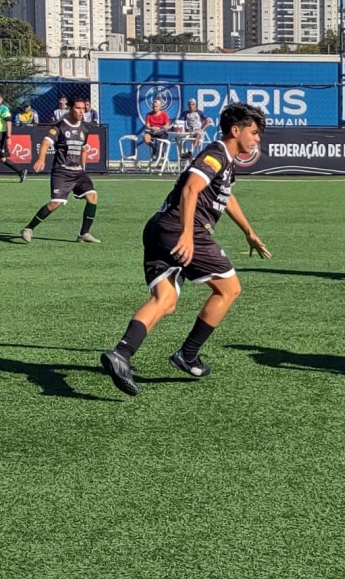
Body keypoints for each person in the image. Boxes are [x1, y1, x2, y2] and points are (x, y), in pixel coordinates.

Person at [100, 103, 273, 396]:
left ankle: (122, 354)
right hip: (181, 229)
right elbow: (191, 188)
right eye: (254, 132)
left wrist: (249, 232)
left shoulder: (226, 162)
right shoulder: (217, 154)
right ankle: (188, 355)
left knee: (165, 300)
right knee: (229, 289)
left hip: (159, 228)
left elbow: (225, 198)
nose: (258, 139)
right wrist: (188, 235)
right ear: (236, 130)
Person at [22, 99, 100, 244]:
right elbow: (46, 143)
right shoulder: (60, 126)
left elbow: (83, 148)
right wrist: (41, 159)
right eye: (78, 108)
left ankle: (84, 234)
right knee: (55, 204)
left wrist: (83, 167)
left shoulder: (85, 128)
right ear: (71, 109)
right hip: (62, 172)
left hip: (78, 172)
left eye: (83, 108)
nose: (81, 111)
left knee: (93, 197)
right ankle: (28, 228)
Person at [0, 91, 26, 184]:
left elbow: (8, 122)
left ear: (1, 99)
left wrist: (8, 137)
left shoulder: (3, 108)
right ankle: (21, 172)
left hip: (1, 134)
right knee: (2, 159)